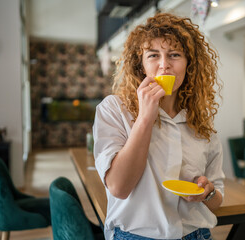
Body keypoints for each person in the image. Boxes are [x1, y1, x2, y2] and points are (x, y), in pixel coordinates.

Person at [93, 12, 224, 240]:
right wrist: (145, 117)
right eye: (153, 55)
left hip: (198, 235)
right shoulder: (114, 109)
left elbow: (217, 200)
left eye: (174, 55)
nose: (165, 65)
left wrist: (208, 192)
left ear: (189, 65)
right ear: (141, 65)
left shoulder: (200, 122)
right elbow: (119, 187)